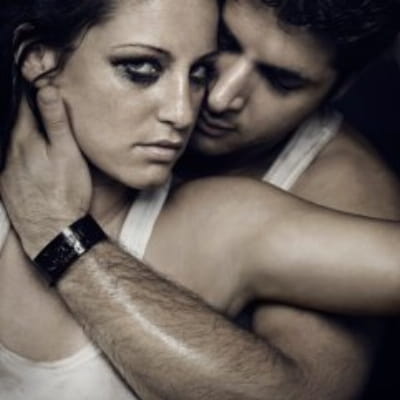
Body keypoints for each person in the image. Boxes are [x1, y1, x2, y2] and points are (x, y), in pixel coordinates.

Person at [1, 1, 400, 400]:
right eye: (222, 47)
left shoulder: (298, 201)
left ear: (341, 87)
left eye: (280, 80)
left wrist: (62, 236)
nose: (214, 100)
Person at [0, 0, 219, 399]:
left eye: (200, 74)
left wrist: (60, 231)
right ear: (38, 58)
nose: (183, 113)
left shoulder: (223, 218)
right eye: (142, 69)